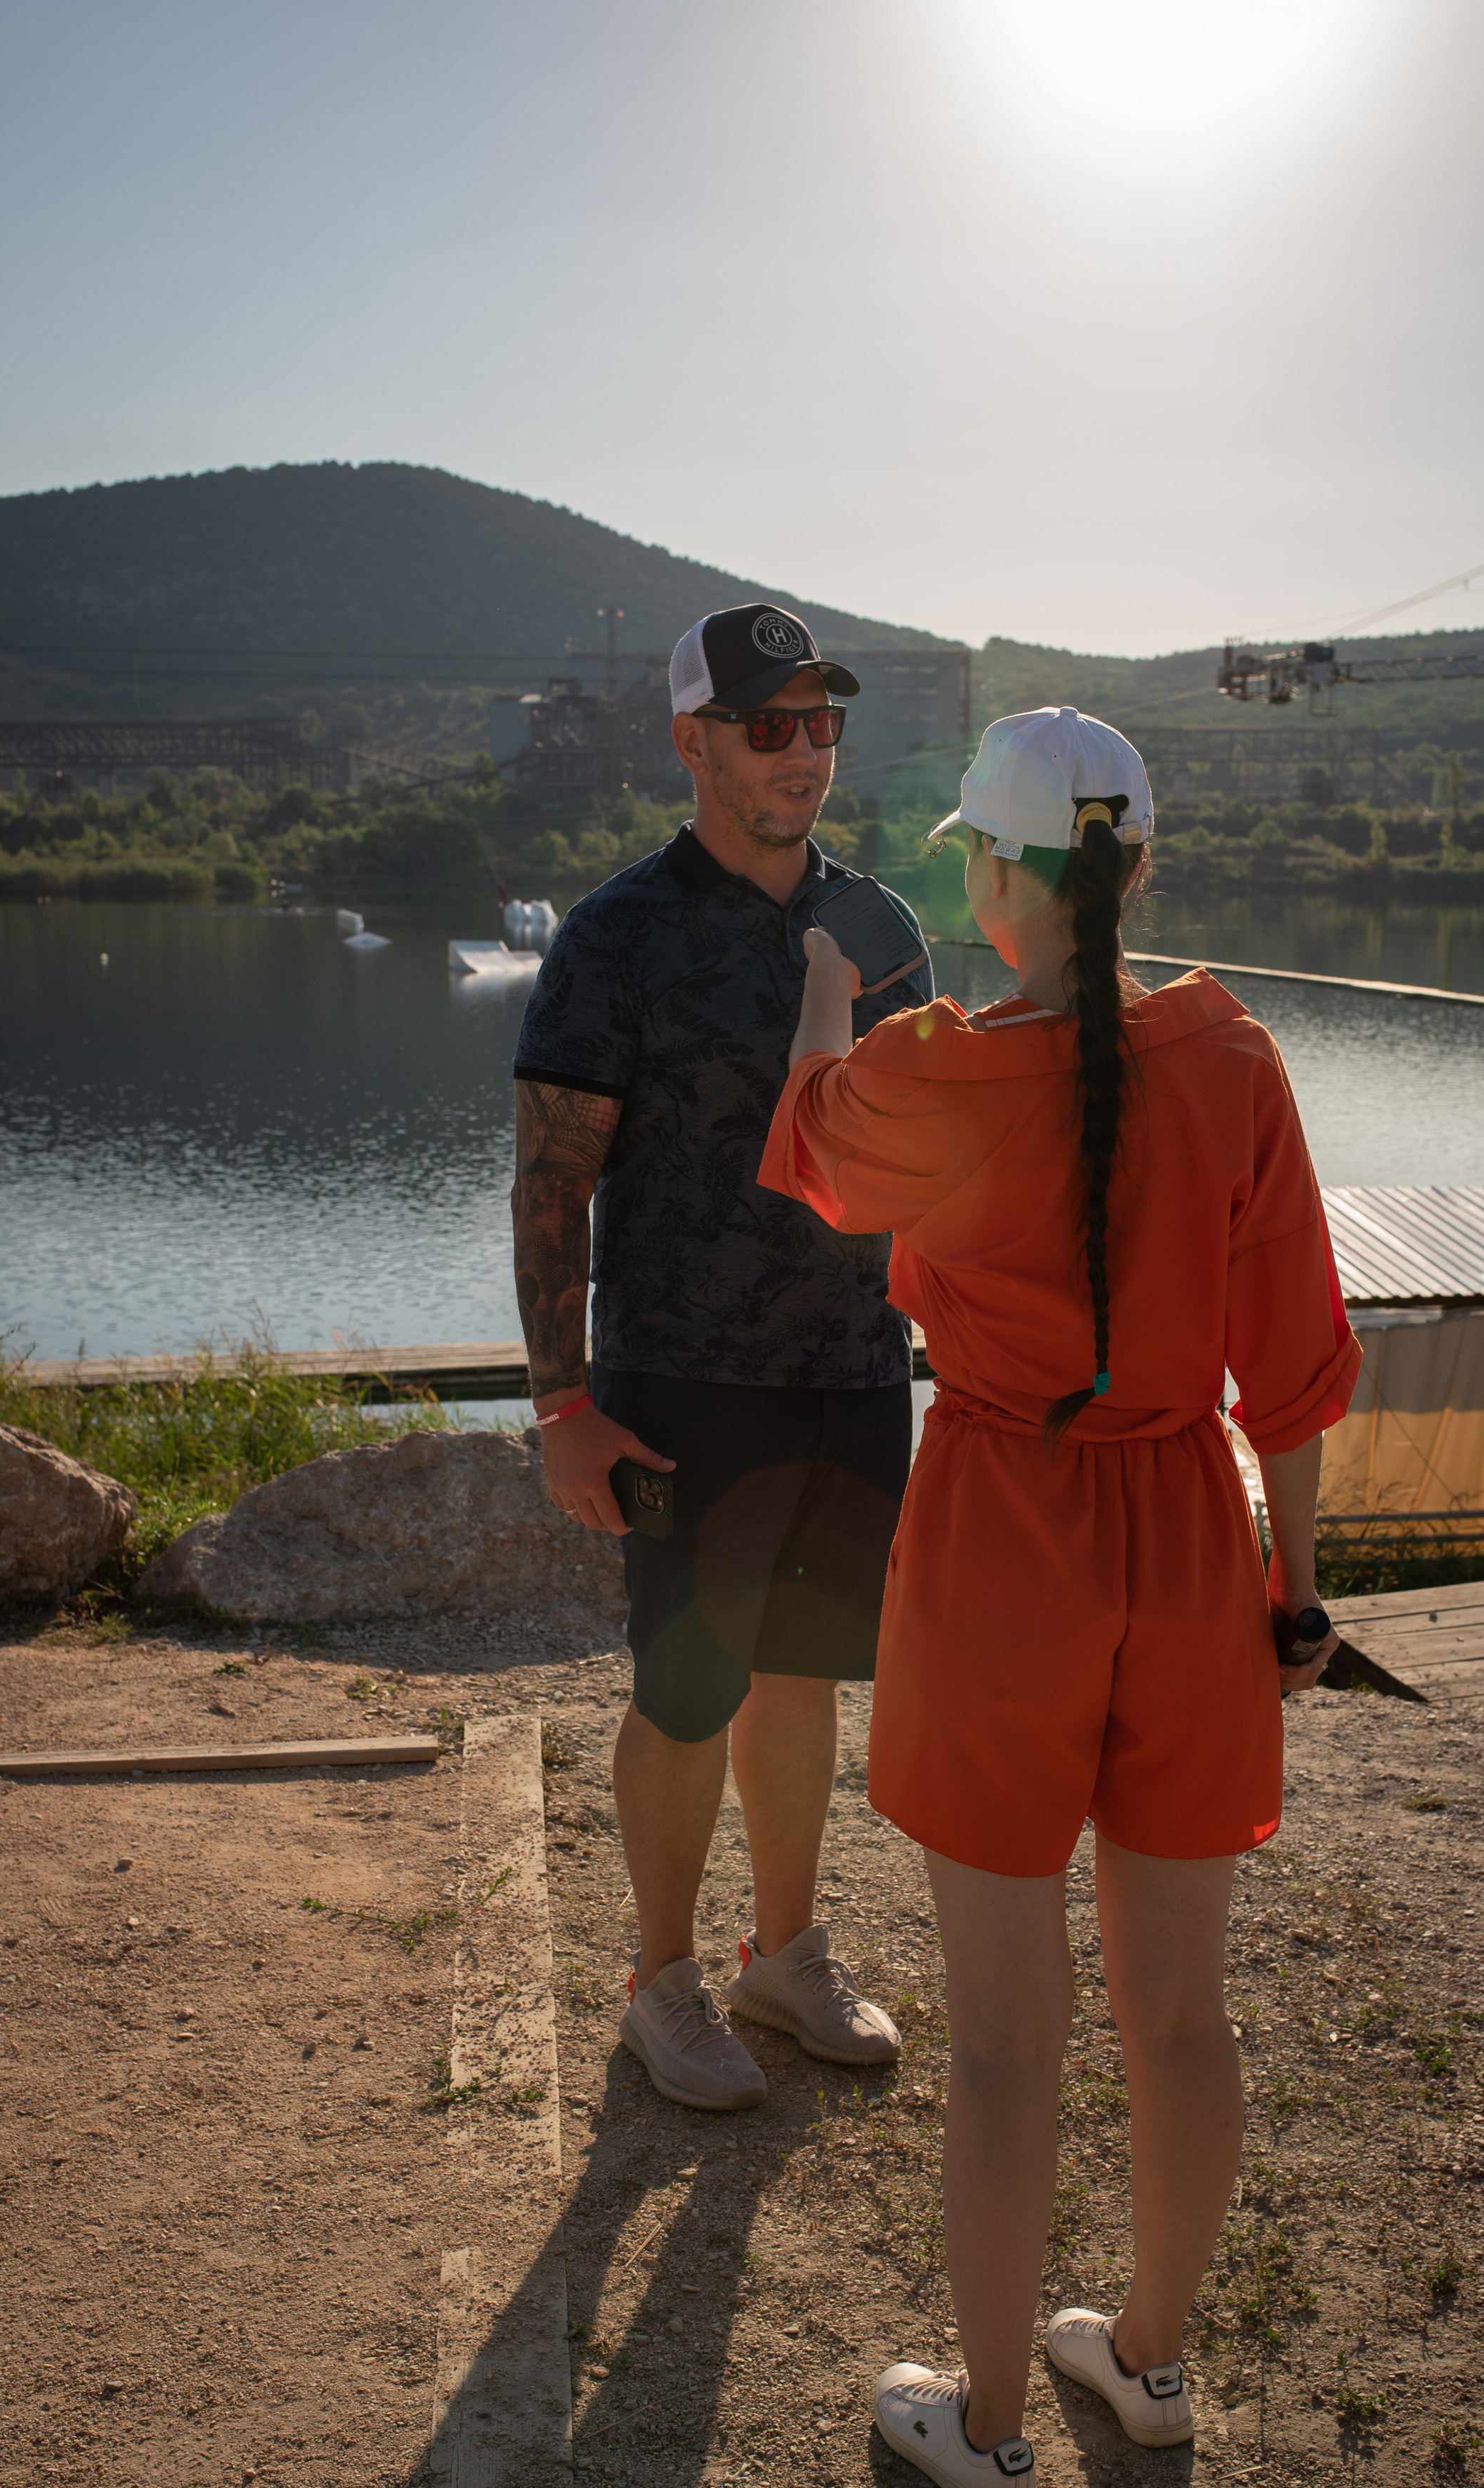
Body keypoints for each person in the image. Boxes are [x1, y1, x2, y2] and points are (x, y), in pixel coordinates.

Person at [758, 706, 1360, 2488]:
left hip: (1007, 1532)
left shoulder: (935, 1067)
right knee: (1181, 2015)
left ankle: (995, 2429)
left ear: (991, 876)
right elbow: (1301, 1370)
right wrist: (1294, 1594)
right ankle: (1152, 2364)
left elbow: (808, 1153)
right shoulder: (1233, 1056)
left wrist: (817, 987)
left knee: (1004, 2032)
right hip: (1189, 1531)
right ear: (1145, 868)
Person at [510, 603, 932, 2113]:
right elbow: (552, 1181)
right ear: (691, 740)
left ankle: (785, 1951)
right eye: (770, 723)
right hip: (680, 1379)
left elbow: (924, 1150)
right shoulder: (619, 934)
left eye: (822, 721)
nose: (804, 750)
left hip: (850, 1367)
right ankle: (659, 1977)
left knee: (805, 1676)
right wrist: (561, 1402)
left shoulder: (884, 929)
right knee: (686, 1687)